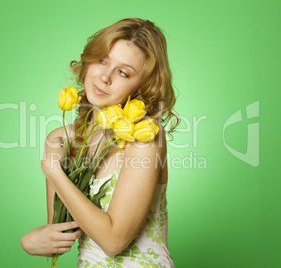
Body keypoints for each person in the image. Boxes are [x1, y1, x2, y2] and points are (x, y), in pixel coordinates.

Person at [21, 18, 179, 267]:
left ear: (141, 86)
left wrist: (53, 171)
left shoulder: (145, 134)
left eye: (123, 72)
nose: (105, 77)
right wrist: (32, 242)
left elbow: (114, 241)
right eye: (102, 60)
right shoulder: (61, 139)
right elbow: (62, 232)